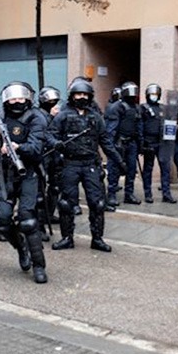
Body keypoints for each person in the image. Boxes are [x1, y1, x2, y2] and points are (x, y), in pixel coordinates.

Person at [49, 79, 125, 252]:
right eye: (78, 94)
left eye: (85, 94)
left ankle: (97, 239)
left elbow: (106, 142)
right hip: (70, 164)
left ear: (90, 96)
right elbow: (50, 135)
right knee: (67, 204)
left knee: (97, 203)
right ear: (72, 96)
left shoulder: (96, 117)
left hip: (90, 164)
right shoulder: (62, 115)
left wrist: (119, 161)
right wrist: (56, 143)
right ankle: (67, 238)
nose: (81, 97)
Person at [0, 82, 49, 283]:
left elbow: (37, 148)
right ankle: (21, 248)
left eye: (20, 97)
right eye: (12, 98)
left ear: (28, 99)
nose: (16, 101)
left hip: (28, 173)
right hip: (4, 174)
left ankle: (39, 266)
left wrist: (17, 147)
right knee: (2, 222)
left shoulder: (36, 117)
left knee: (27, 220)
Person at [105, 81, 143, 206]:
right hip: (119, 142)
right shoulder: (117, 107)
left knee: (131, 169)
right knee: (114, 169)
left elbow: (139, 127)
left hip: (132, 143)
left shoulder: (137, 108)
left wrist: (140, 144)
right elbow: (111, 128)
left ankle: (129, 194)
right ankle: (111, 194)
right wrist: (111, 146)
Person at [139, 83, 176, 204]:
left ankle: (166, 194)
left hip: (163, 143)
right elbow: (140, 126)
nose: (153, 96)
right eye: (151, 94)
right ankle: (148, 194)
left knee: (165, 169)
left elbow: (170, 123)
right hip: (149, 142)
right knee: (148, 169)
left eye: (155, 94)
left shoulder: (163, 108)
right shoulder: (143, 108)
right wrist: (142, 143)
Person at [35, 86, 63, 240]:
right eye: (50, 102)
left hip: (55, 156)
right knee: (40, 190)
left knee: (55, 187)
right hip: (43, 154)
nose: (53, 104)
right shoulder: (38, 115)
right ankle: (39, 226)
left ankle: (49, 215)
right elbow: (43, 133)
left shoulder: (57, 115)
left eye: (55, 101)